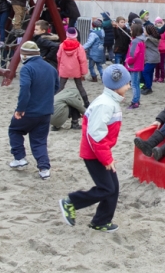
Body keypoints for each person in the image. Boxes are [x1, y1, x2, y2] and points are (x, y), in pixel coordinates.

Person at [59, 64, 131, 232]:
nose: (129, 86)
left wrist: (108, 156)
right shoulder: (105, 104)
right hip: (94, 154)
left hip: (101, 151)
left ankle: (101, 221)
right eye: (126, 83)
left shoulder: (110, 101)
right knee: (107, 188)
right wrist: (106, 159)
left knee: (113, 188)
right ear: (117, 86)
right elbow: (95, 135)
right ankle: (71, 201)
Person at [8, 41, 60, 180]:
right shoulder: (51, 68)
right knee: (39, 140)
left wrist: (20, 109)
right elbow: (56, 87)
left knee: (15, 130)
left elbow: (25, 88)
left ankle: (19, 158)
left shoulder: (27, 68)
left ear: (24, 55)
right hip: (46, 111)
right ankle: (44, 169)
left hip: (30, 110)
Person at [57, 27, 90, 108]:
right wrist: (83, 72)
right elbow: (82, 60)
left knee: (60, 86)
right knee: (79, 86)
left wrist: (59, 67)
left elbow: (58, 56)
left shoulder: (62, 45)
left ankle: (55, 101)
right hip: (76, 69)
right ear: (76, 35)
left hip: (64, 68)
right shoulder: (79, 46)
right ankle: (86, 102)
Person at [125, 24, 145, 110]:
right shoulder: (140, 40)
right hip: (138, 65)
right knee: (136, 84)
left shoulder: (136, 42)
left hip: (134, 65)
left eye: (131, 30)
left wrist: (127, 61)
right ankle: (137, 99)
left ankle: (135, 101)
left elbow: (133, 55)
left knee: (134, 84)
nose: (130, 31)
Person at [141, 24, 160, 95]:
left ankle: (148, 87)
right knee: (150, 72)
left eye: (145, 30)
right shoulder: (153, 38)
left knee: (145, 72)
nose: (144, 31)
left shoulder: (148, 39)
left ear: (148, 31)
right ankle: (148, 86)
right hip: (153, 58)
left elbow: (142, 40)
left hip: (151, 58)